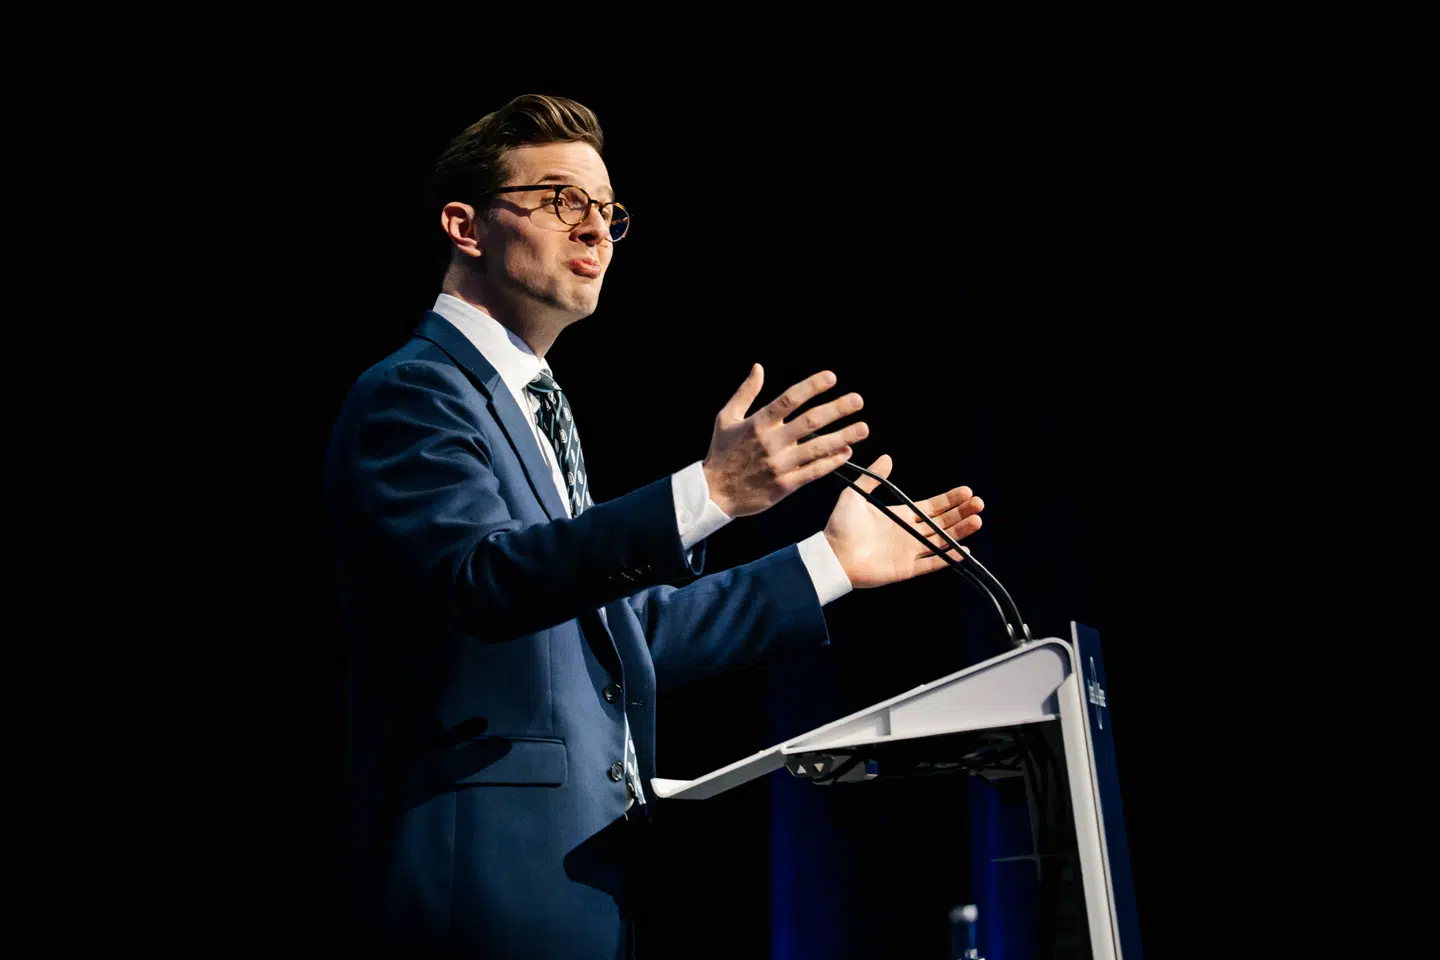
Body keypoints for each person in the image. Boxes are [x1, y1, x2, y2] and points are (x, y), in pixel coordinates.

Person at [323, 93, 985, 957]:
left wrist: (827, 563)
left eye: (607, 212)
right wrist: (708, 493)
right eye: (562, 201)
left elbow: (616, 641)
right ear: (466, 226)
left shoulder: (534, 411)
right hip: (481, 892)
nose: (595, 231)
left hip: (587, 887)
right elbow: (481, 580)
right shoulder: (414, 394)